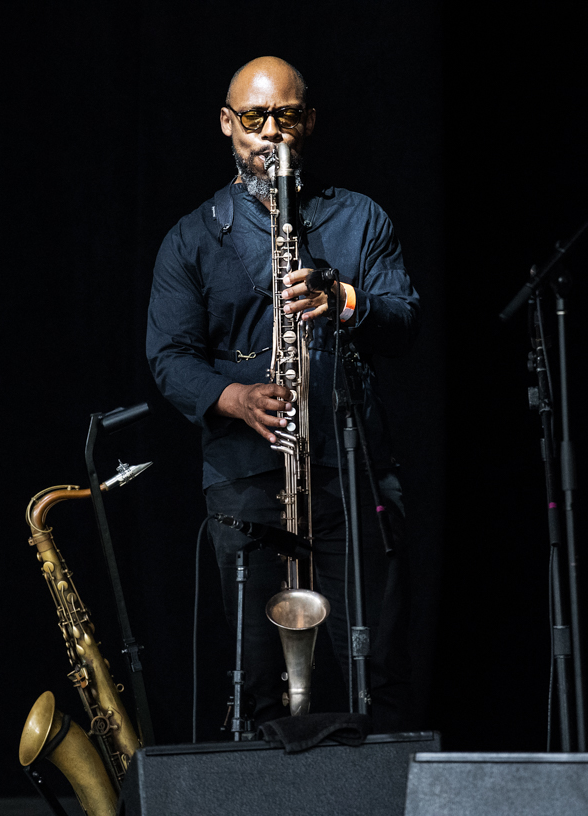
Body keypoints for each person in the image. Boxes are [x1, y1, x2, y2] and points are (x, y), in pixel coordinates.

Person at [146, 56, 420, 732]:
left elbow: (405, 316)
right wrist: (234, 397)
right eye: (253, 118)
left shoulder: (359, 219)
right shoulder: (192, 236)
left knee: (373, 672)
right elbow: (170, 358)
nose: (271, 133)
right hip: (246, 475)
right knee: (258, 684)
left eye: (286, 117)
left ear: (309, 122)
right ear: (226, 123)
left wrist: (345, 298)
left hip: (348, 470)